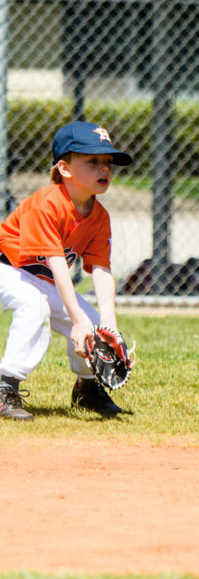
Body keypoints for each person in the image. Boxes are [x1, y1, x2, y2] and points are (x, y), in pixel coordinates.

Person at [0, 121, 134, 420]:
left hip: (38, 277)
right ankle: (5, 387)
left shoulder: (99, 216)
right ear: (65, 168)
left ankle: (86, 390)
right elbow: (57, 264)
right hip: (6, 269)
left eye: (108, 163)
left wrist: (108, 324)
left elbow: (100, 269)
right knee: (34, 307)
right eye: (93, 161)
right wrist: (76, 320)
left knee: (94, 323)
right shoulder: (47, 204)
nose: (105, 169)